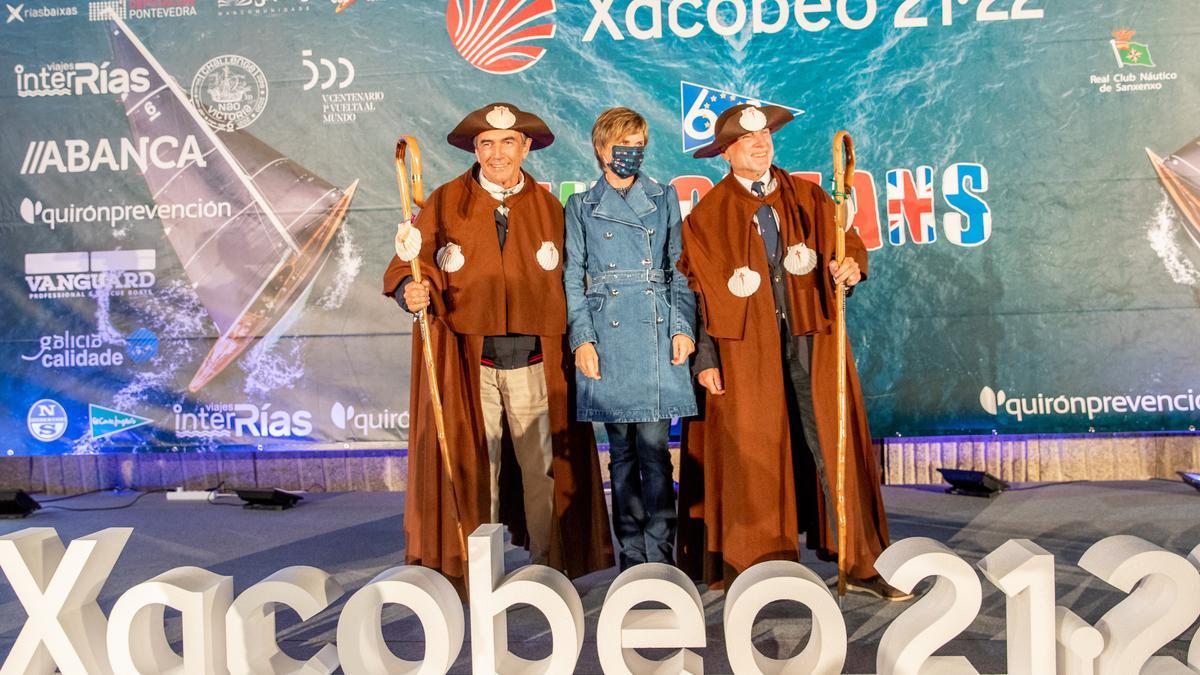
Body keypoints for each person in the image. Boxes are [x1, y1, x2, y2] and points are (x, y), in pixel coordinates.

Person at [675, 103, 910, 600]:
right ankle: (760, 569)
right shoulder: (705, 217)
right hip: (744, 353)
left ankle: (859, 562)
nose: (760, 146)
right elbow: (695, 294)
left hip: (812, 343)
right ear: (726, 152)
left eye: (765, 137)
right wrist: (706, 359)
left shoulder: (809, 197)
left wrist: (852, 269)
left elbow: (847, 243)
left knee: (830, 445)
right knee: (756, 456)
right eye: (747, 140)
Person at [382, 102, 612, 584]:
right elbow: (408, 263)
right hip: (471, 362)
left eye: (508, 143)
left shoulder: (550, 207)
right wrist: (410, 289)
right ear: (475, 150)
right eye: (487, 144)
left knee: (541, 470)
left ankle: (549, 565)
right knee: (476, 468)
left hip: (533, 358)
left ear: (525, 147)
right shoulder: (445, 202)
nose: (497, 154)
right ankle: (478, 568)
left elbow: (575, 280)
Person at [562, 107, 697, 570]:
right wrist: (582, 339)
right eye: (623, 145)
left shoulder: (663, 197)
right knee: (620, 455)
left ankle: (661, 557)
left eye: (638, 145)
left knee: (657, 454)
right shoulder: (580, 206)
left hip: (657, 331)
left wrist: (682, 328)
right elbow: (571, 277)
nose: (631, 154)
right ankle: (632, 558)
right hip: (607, 335)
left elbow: (680, 268)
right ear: (601, 149)